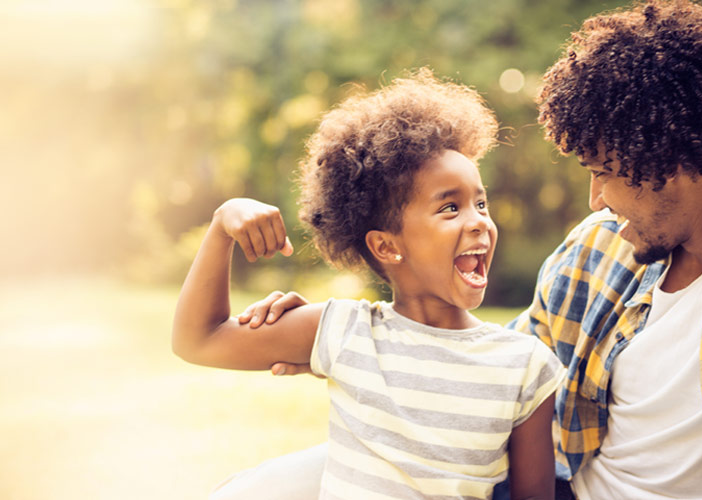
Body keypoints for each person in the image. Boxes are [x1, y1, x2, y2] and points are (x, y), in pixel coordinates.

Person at [242, 1, 702, 499]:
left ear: (675, 155)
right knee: (263, 490)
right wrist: (349, 340)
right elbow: (491, 363)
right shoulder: (595, 252)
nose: (595, 199)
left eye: (605, 170)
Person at [172, 69, 564, 500]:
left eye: (481, 202)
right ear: (386, 246)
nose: (479, 222)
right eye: (450, 207)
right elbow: (198, 340)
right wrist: (221, 224)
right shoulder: (344, 330)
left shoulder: (526, 365)